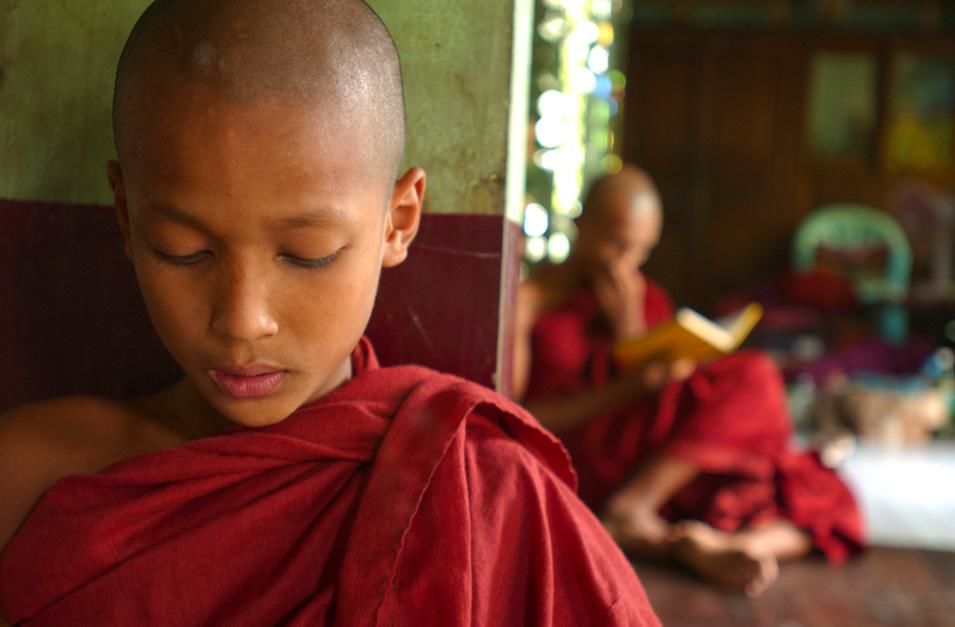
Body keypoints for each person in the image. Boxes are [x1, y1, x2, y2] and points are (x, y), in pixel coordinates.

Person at [0, 3, 660, 625]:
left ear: (398, 222)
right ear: (125, 216)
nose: (243, 319)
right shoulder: (32, 478)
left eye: (307, 254)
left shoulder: (492, 497)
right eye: (184, 251)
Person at [514, 166, 865, 597]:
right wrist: (626, 389)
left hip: (660, 449)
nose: (625, 262)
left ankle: (726, 547)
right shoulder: (528, 303)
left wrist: (630, 333)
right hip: (592, 452)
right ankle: (634, 509)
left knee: (820, 491)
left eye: (640, 251)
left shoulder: (641, 294)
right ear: (581, 222)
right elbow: (519, 418)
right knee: (756, 378)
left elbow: (661, 385)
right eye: (614, 243)